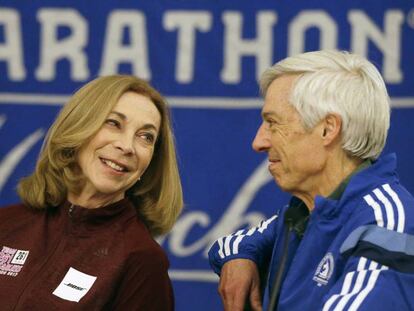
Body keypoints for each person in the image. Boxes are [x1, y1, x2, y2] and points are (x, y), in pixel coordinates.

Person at [208, 50, 414, 311]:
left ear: (327, 129)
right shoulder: (304, 213)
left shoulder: (389, 225)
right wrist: (239, 258)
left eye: (272, 123)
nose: (258, 142)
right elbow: (234, 243)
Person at [0, 75, 183, 310]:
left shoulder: (141, 259)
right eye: (114, 123)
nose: (127, 146)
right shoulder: (6, 224)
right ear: (78, 127)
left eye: (145, 137)